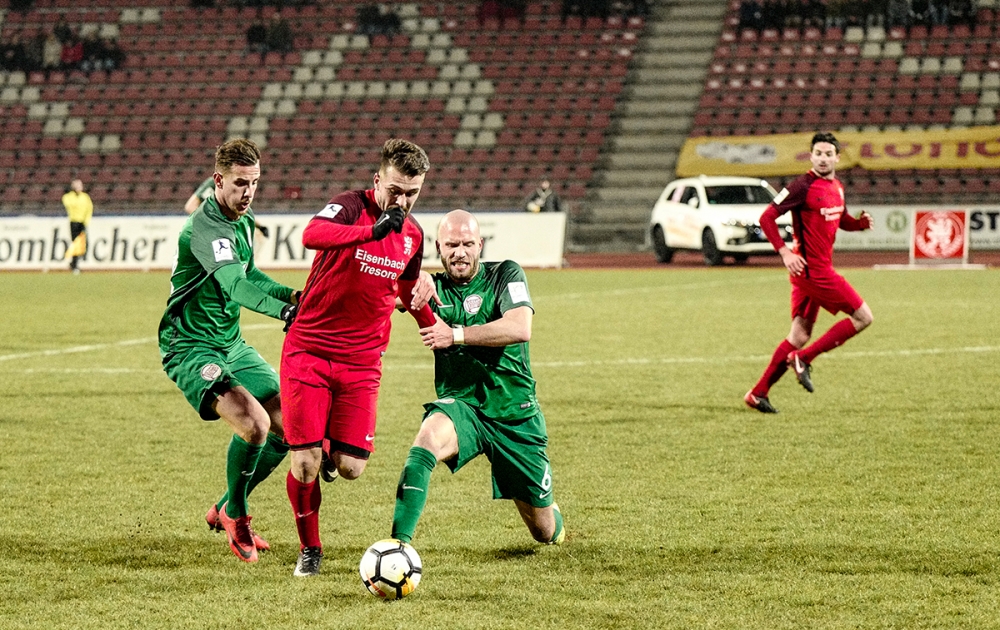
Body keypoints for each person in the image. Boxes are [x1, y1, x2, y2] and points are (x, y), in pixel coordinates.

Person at [280, 138, 438, 578]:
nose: (402, 201)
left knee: (351, 468)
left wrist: (434, 327)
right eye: (395, 190)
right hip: (310, 350)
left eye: (412, 193)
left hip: (363, 363)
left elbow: (406, 287)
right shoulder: (351, 207)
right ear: (377, 181)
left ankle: (326, 443)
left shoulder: (414, 235)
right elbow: (311, 235)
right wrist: (373, 231)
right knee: (306, 463)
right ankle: (310, 548)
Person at [158, 138, 300, 563]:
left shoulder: (243, 218)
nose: (249, 191)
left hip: (230, 344)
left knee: (290, 426)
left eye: (254, 182)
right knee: (255, 424)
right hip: (191, 346)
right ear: (217, 180)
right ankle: (236, 515)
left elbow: (251, 274)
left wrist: (294, 295)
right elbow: (236, 286)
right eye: (240, 183)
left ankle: (224, 505)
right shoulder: (204, 228)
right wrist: (285, 313)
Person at [389, 209, 565, 549]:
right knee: (426, 440)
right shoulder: (431, 289)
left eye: (467, 244)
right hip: (464, 406)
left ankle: (548, 513)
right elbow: (378, 295)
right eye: (451, 245)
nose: (460, 252)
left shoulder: (505, 274)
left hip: (514, 412)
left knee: (544, 532)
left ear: (480, 245)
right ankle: (398, 547)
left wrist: (454, 335)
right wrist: (411, 277)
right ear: (438, 248)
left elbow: (519, 327)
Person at [744, 132, 874, 414]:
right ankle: (803, 359)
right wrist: (784, 252)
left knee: (799, 334)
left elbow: (841, 219)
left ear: (837, 158)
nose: (823, 159)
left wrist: (858, 224)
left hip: (813, 271)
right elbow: (766, 217)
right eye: (818, 153)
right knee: (864, 317)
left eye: (828, 154)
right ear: (811, 156)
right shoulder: (802, 186)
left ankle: (758, 393)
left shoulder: (837, 186)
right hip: (813, 271)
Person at [186, 176, 268, 237]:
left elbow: (241, 212)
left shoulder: (235, 189)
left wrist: (259, 226)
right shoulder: (215, 184)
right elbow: (190, 207)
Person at [62, 178, 93, 274]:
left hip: (82, 222)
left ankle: (74, 263)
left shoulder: (85, 197)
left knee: (84, 243)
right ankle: (75, 265)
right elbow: (68, 204)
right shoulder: (69, 196)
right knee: (76, 244)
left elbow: (89, 209)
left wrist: (86, 221)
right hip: (74, 222)